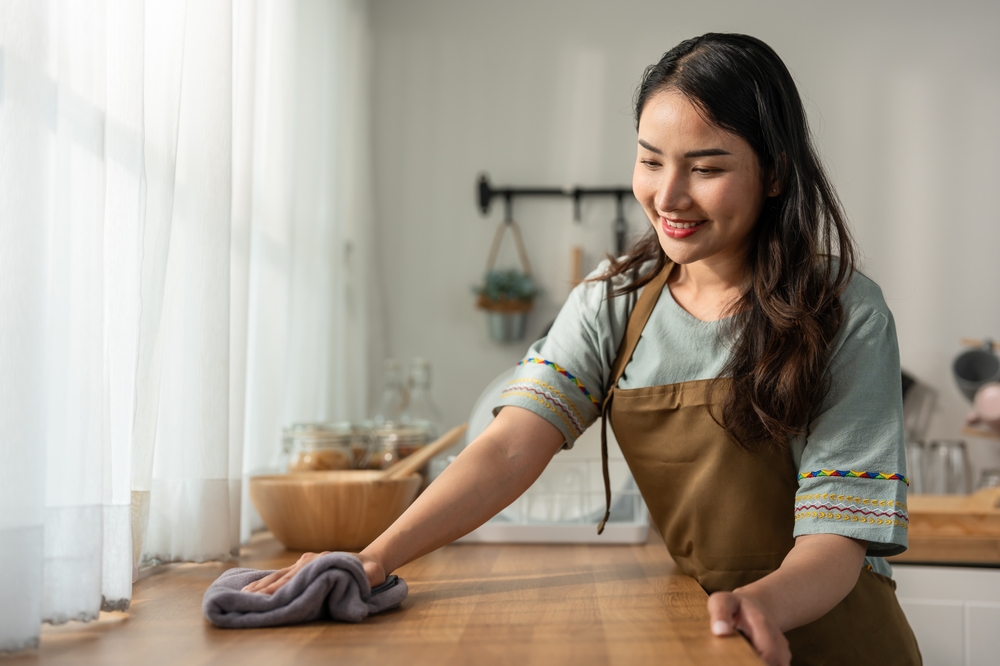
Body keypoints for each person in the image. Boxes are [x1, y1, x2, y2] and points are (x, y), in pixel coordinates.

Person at [246, 33, 921, 666]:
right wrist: (372, 558)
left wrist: (757, 603)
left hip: (835, 638)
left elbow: (838, 541)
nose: (669, 195)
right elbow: (509, 447)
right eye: (650, 160)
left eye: (707, 168)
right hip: (705, 637)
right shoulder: (614, 302)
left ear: (774, 173)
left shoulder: (845, 314)